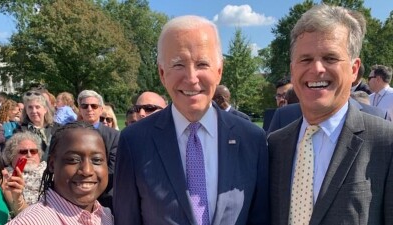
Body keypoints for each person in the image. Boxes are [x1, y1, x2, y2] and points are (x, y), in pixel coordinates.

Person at [114, 15, 269, 225]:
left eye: (202, 64)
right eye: (178, 64)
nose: (191, 78)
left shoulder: (252, 139)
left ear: (219, 71)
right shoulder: (134, 141)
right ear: (162, 73)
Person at [268, 4, 393, 225]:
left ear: (354, 69)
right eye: (305, 59)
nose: (317, 69)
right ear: (293, 68)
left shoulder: (385, 142)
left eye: (330, 58)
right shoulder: (275, 145)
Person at [6, 122, 113, 224]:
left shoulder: (106, 216)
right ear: (52, 164)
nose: (87, 170)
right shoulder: (29, 222)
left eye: (97, 160)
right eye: (73, 159)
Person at [77, 90, 119, 211]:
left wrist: (90, 187)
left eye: (94, 106)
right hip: (75, 195)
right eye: (84, 106)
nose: (89, 109)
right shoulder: (69, 134)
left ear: (101, 110)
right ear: (80, 109)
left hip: (104, 198)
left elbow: (113, 169)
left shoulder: (114, 136)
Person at [2, 132, 46, 206]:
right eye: (23, 152)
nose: (29, 155)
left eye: (33, 151)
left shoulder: (52, 172)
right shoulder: (4, 177)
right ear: (11, 156)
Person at [18, 90, 59, 161]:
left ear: (45, 109)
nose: (34, 111)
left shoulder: (58, 128)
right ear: (26, 111)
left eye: (37, 107)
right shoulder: (20, 131)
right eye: (30, 107)